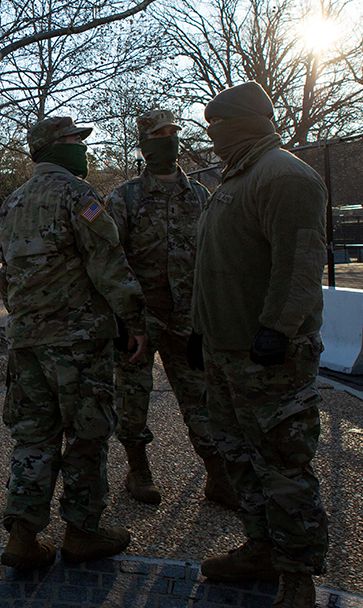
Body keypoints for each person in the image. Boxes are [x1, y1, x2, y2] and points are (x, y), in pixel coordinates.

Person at [192, 82, 328, 608]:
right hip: (227, 352)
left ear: (245, 123)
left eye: (217, 125)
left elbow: (299, 264)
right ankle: (262, 547)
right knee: (239, 456)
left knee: (283, 462)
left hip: (268, 356)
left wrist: (278, 328)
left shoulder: (286, 176)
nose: (211, 135)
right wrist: (202, 333)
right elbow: (216, 268)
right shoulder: (235, 179)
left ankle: (298, 577)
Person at [0, 116, 149, 571]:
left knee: (33, 437)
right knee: (87, 435)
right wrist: (135, 320)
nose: (82, 148)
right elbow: (107, 263)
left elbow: (8, 276)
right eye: (73, 140)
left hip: (26, 342)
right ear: (52, 147)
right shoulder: (79, 196)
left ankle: (23, 536)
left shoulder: (13, 202)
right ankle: (83, 531)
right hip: (77, 343)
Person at [106, 110, 238, 510]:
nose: (167, 140)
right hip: (139, 318)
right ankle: (137, 470)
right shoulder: (124, 197)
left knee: (201, 397)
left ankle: (217, 475)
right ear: (144, 145)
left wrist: (209, 315)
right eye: (158, 135)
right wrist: (123, 319)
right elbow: (111, 261)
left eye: (172, 134)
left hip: (188, 319)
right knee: (133, 397)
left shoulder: (199, 195)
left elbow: (215, 255)